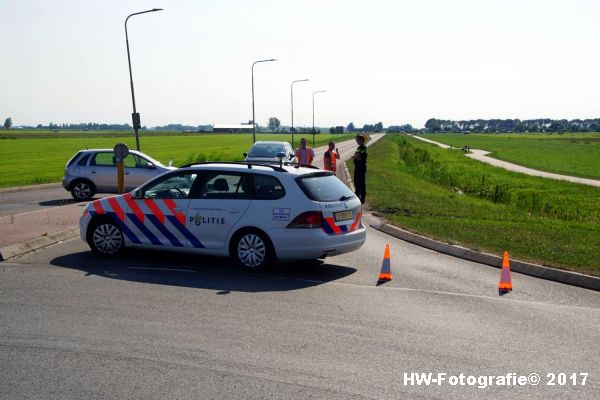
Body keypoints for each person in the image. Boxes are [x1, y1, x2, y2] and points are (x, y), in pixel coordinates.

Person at [352, 133, 368, 204]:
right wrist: (355, 156)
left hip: (361, 167)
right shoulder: (359, 148)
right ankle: (357, 195)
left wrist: (355, 156)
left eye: (357, 140)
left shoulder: (364, 148)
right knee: (356, 181)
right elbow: (356, 155)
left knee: (361, 183)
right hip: (357, 167)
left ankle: (362, 198)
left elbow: (359, 156)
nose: (356, 141)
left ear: (361, 140)